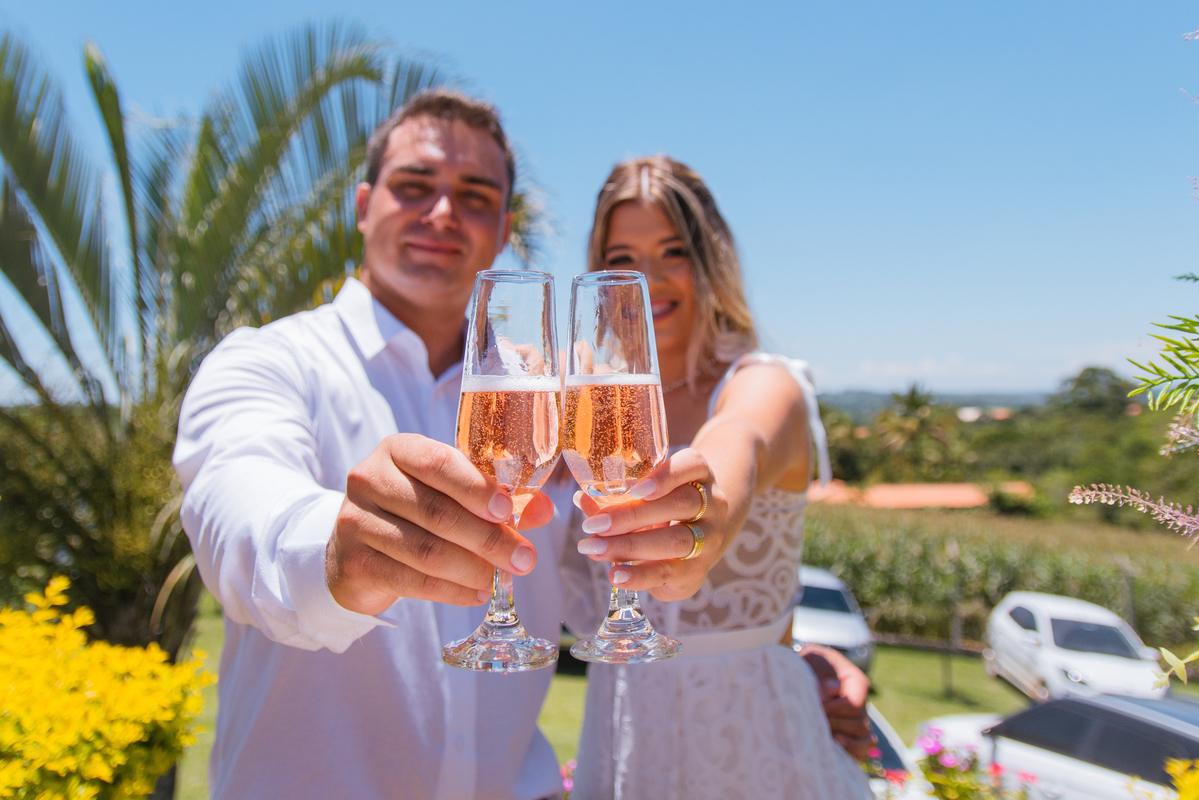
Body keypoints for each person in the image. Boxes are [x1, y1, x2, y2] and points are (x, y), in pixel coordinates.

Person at [175, 88, 868, 799]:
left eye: (474, 196)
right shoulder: (269, 363)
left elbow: (669, 523)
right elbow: (235, 512)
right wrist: (333, 549)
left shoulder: (553, 400)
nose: (442, 212)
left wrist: (788, 656)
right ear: (362, 204)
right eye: (415, 186)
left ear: (504, 227)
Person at [560, 156, 874, 799]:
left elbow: (737, 445)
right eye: (624, 257)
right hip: (621, 745)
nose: (646, 279)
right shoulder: (585, 404)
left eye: (672, 250)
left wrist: (706, 513)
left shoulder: (766, 384)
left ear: (711, 259)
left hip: (760, 757)